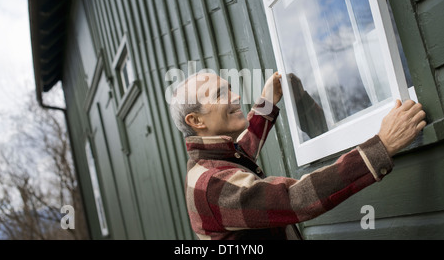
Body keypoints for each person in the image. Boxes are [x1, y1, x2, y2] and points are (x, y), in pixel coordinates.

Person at [169, 71, 427, 240]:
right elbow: (295, 199)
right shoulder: (212, 185)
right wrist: (380, 147)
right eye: (220, 94)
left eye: (229, 88)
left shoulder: (212, 162)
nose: (236, 96)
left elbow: (243, 149)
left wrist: (267, 102)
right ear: (196, 120)